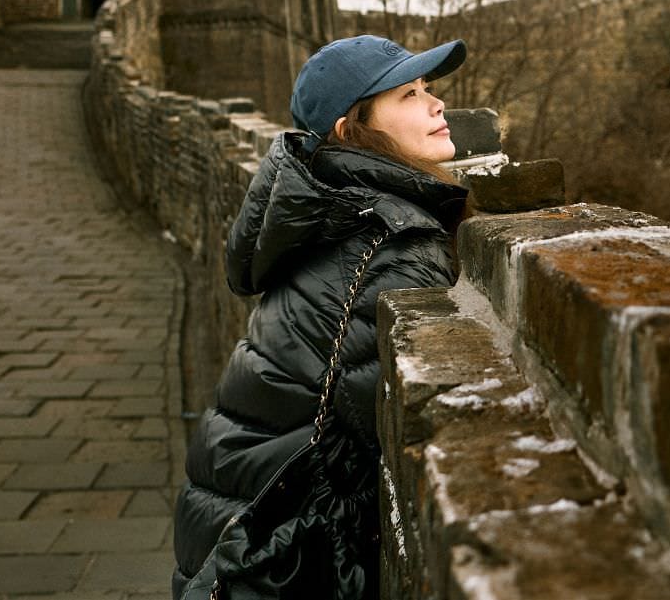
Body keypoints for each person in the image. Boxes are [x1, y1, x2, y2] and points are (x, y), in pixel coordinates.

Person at [171, 34, 470, 599]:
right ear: (350, 131)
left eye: (429, 89)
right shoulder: (392, 243)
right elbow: (383, 439)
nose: (437, 105)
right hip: (270, 555)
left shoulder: (328, 210)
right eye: (408, 95)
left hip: (232, 521)